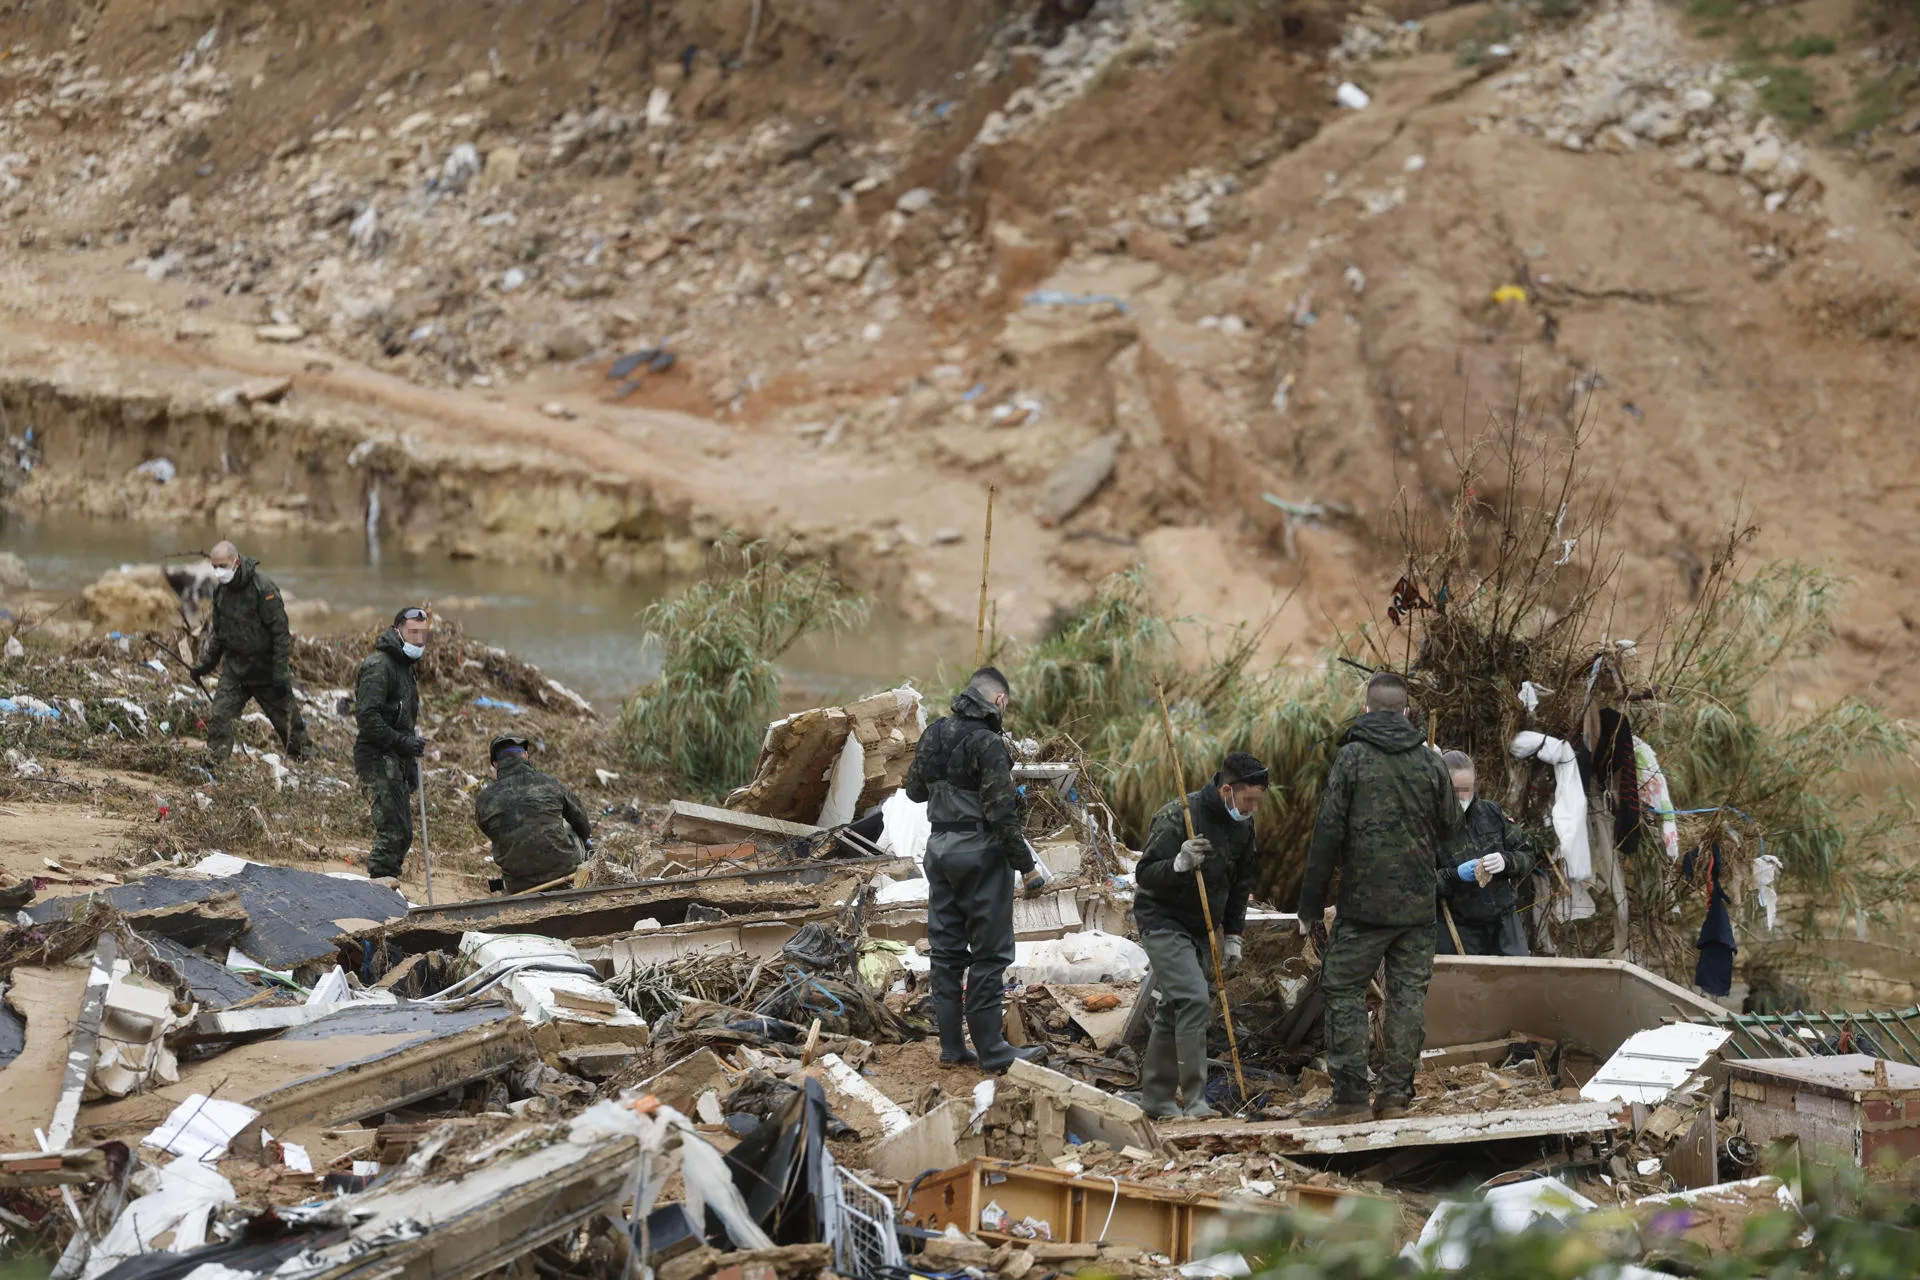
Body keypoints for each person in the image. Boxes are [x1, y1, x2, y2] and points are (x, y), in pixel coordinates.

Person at [1296, 672, 1460, 1124]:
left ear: (1366, 709)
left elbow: (1326, 836)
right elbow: (1452, 827)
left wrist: (1309, 906)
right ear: (1407, 713)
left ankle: (1350, 1099)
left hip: (1363, 908)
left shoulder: (1351, 758)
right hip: (1416, 908)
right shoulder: (1431, 763)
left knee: (1344, 989)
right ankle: (1394, 1099)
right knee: (1407, 998)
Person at [903, 666, 1047, 1073]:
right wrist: (1027, 867)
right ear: (998, 701)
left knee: (946, 952)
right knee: (989, 954)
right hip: (980, 853)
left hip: (939, 849)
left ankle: (951, 1048)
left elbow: (914, 791)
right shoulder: (988, 743)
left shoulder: (933, 734)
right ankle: (993, 1051)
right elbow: (1002, 813)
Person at [1133, 752, 1268, 1119]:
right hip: (1162, 919)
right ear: (1227, 790)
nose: (1253, 808)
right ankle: (1194, 1101)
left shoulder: (1243, 826)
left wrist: (1235, 934)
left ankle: (1157, 1098)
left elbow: (1242, 882)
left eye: (1258, 801)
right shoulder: (1181, 815)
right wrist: (1178, 864)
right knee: (1193, 999)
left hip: (1202, 926)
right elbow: (1144, 873)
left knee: (1174, 1007)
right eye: (1248, 800)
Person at [188, 541, 309, 767]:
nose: (218, 571)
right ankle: (215, 763)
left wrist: (281, 673)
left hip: (266, 671)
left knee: (289, 724)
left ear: (236, 562)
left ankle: (305, 764)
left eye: (222, 565)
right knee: (220, 716)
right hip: (236, 671)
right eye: (214, 566)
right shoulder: (221, 592)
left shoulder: (263, 588)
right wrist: (203, 667)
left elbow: (281, 634)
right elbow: (219, 635)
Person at [1436, 750, 1537, 957]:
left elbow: (1527, 853)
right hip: (1459, 926)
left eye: (1467, 789)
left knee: (1517, 983)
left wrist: (1507, 862)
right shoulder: (1429, 826)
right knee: (1467, 986)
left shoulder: (1491, 813)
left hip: (1504, 922)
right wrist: (1455, 875)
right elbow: (1417, 884)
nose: (1462, 796)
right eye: (1455, 790)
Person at [355, 607, 430, 884]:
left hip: (396, 757)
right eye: (413, 633)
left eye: (424, 634)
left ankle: (386, 883)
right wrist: (402, 742)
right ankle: (381, 885)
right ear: (397, 630)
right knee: (393, 830)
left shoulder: (406, 667)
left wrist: (408, 760)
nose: (419, 640)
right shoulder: (379, 665)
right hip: (376, 755)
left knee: (404, 832)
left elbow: (403, 718)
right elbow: (367, 718)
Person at [475, 733, 593, 894]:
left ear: (496, 764)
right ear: (525, 755)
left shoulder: (485, 798)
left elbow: (488, 830)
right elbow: (583, 825)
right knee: (566, 822)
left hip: (518, 883)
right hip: (565, 872)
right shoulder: (551, 783)